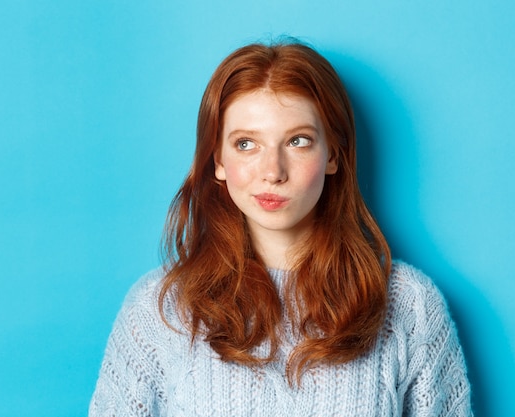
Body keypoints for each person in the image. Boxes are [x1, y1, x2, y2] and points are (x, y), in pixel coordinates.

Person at [89, 40, 473, 416]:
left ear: (333, 155)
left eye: (298, 141)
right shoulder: (160, 310)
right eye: (246, 144)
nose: (273, 171)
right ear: (217, 160)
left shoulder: (409, 306)